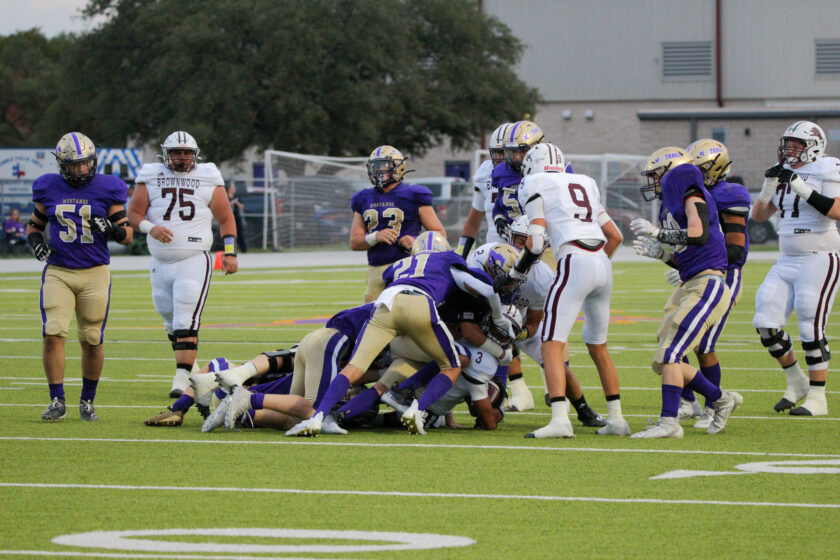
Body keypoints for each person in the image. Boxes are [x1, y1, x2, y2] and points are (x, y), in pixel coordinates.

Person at [286, 236, 514, 436]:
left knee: (354, 368)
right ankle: (416, 410)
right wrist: (500, 318)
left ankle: (318, 418)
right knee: (452, 365)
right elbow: (487, 291)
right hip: (418, 304)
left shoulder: (399, 264)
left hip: (385, 305)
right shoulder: (447, 261)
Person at [494, 143, 629, 438]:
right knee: (598, 346)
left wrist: (515, 274)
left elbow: (537, 240)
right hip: (601, 264)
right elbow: (615, 236)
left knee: (551, 344)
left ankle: (559, 420)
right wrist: (596, 265)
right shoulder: (585, 181)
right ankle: (617, 420)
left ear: (533, 164)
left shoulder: (533, 181)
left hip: (574, 258)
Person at [630, 146, 743, 438]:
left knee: (672, 352)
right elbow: (688, 256)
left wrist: (659, 234)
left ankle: (669, 423)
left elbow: (699, 233)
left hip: (708, 285)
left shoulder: (692, 193)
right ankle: (721, 399)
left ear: (671, 172)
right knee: (666, 355)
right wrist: (662, 255)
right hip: (691, 282)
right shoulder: (675, 203)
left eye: (656, 175)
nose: (653, 182)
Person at [26, 132, 133, 421]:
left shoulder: (109, 187)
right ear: (62, 164)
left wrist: (111, 229)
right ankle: (57, 400)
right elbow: (34, 226)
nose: (82, 169)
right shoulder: (47, 186)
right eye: (74, 164)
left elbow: (127, 236)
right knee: (53, 333)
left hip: (94, 272)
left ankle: (87, 400)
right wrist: (36, 242)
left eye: (85, 163)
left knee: (92, 337)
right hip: (59, 271)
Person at [128, 130, 238, 399]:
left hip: (193, 257)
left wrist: (230, 253)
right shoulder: (151, 175)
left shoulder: (208, 175)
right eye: (176, 152)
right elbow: (133, 214)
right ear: (166, 154)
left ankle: (181, 377)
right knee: (167, 316)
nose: (181, 157)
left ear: (195, 155)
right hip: (159, 260)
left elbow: (225, 218)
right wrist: (151, 228)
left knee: (184, 316)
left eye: (186, 153)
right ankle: (189, 369)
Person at [466, 225, 607, 427]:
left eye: (532, 243)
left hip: (519, 324)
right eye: (522, 241)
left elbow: (534, 321)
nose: (526, 248)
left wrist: (519, 334)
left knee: (553, 359)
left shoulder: (541, 279)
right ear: (509, 237)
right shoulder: (485, 256)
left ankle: (583, 409)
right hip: (483, 320)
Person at [751, 121, 840, 416]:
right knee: (765, 319)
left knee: (809, 323)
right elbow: (760, 216)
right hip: (786, 258)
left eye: (795, 144)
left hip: (819, 255)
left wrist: (800, 186)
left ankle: (818, 397)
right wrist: (767, 187)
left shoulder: (828, 168)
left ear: (814, 145)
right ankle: (796, 380)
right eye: (787, 144)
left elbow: (837, 210)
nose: (789, 150)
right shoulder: (783, 169)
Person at [675, 139, 751, 428]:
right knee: (677, 340)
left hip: (724, 273)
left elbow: (734, 248)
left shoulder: (729, 193)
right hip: (697, 273)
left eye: (700, 168)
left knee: (703, 344)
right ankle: (688, 402)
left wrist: (703, 261)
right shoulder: (693, 194)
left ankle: (713, 406)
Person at [349, 145, 447, 303]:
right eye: (375, 167)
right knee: (373, 319)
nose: (377, 171)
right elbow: (354, 242)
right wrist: (375, 237)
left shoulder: (414, 194)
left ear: (398, 168)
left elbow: (439, 234)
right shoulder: (363, 198)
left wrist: (416, 242)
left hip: (408, 266)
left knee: (408, 313)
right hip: (377, 269)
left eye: (383, 166)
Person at [456, 123, 512, 256]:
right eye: (496, 152)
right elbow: (473, 223)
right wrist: (460, 255)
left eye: (503, 152)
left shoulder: (530, 176)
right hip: (494, 254)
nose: (499, 157)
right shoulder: (486, 173)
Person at [490, 120, 545, 241]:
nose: (517, 157)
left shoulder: (552, 170)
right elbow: (499, 203)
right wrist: (499, 218)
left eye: (523, 151)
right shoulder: (501, 172)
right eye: (513, 151)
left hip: (546, 238)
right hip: (515, 239)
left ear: (537, 147)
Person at [226, 182, 248, 253]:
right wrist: (232, 202)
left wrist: (236, 202)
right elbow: (226, 206)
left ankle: (243, 249)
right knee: (230, 235)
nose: (234, 189)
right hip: (229, 218)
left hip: (237, 218)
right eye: (232, 188)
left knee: (240, 233)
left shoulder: (236, 197)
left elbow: (242, 206)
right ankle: (230, 250)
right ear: (229, 189)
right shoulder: (226, 197)